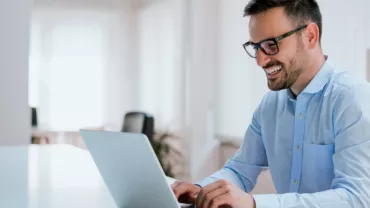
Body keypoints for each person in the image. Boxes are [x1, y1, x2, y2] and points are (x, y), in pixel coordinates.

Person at [171, 0, 370, 207]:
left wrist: (254, 203)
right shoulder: (270, 105)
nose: (260, 60)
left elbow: (357, 198)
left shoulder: (352, 99)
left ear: (310, 36)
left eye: (270, 45)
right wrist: (202, 190)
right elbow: (240, 170)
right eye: (255, 47)